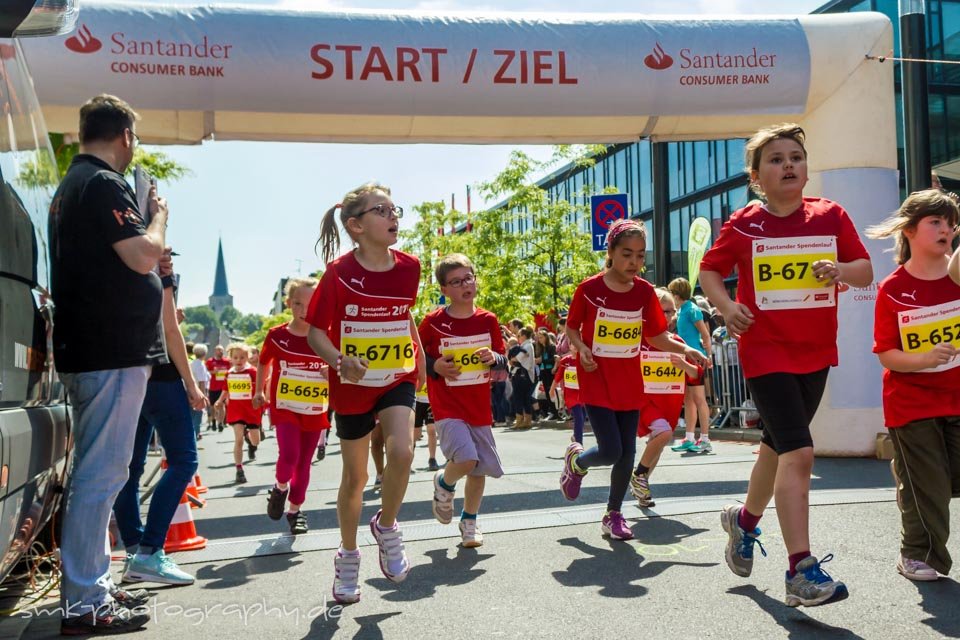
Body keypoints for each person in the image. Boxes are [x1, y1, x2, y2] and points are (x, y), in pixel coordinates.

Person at [699, 123, 873, 607]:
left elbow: (864, 270)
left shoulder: (830, 215)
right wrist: (727, 307)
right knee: (800, 452)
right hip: (765, 351)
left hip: (816, 352)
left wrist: (838, 270)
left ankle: (744, 521)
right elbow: (710, 270)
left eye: (796, 156)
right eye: (776, 159)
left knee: (776, 449)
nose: (789, 165)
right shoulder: (745, 223)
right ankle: (801, 570)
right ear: (757, 177)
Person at [49, 94, 166, 634]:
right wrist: (157, 217)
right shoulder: (102, 183)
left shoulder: (73, 185)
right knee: (101, 475)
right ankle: (86, 599)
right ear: (125, 137)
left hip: (96, 347)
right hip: (111, 348)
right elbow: (143, 254)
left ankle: (91, 587)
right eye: (134, 139)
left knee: (100, 473)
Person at [306, 182, 426, 604]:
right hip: (353, 384)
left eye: (396, 210)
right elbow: (316, 333)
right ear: (356, 226)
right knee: (355, 478)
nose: (394, 217)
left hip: (396, 376)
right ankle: (349, 554)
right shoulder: (338, 273)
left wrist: (420, 359)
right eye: (382, 211)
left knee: (404, 451)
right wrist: (341, 361)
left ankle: (387, 525)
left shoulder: (411, 267)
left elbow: (403, 317)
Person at [558, 219, 709, 540]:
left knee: (626, 454)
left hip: (629, 382)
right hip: (596, 379)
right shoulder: (589, 290)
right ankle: (577, 461)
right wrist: (581, 346)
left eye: (641, 255)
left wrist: (687, 351)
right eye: (627, 254)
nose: (635, 262)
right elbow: (572, 328)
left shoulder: (643, 292)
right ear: (610, 251)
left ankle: (613, 514)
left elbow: (656, 337)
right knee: (611, 451)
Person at [867, 189, 960, 581]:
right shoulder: (892, 288)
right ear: (908, 230)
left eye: (951, 223)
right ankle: (918, 554)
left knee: (946, 481)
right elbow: (886, 353)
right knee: (930, 490)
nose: (946, 230)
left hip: (957, 399)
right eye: (935, 222)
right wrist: (924, 359)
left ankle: (909, 479)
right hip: (911, 404)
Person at [113, 259, 207, 587]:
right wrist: (192, 384)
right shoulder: (158, 273)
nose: (167, 253)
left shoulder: (118, 264)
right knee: (184, 461)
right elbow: (170, 330)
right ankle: (149, 551)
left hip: (127, 375)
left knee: (131, 468)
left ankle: (136, 549)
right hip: (162, 378)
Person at [419, 254, 508, 548]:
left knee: (479, 469)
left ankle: (469, 522)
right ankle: (444, 483)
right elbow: (416, 356)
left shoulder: (488, 320)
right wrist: (436, 366)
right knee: (467, 459)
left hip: (478, 406)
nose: (465, 285)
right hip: (447, 406)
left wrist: (494, 358)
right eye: (456, 282)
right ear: (444, 290)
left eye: (468, 278)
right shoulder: (433, 322)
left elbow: (502, 358)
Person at [256, 277, 332, 536]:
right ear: (288, 304)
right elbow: (263, 362)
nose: (304, 310)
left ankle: (295, 510)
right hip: (285, 406)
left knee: (304, 463)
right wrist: (258, 391)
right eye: (298, 303)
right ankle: (279, 488)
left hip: (314, 407)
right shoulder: (277, 335)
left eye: (310, 304)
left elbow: (341, 364)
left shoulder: (327, 336)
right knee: (289, 454)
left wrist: (330, 370)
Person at [630, 288, 702, 508]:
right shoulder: (638, 338)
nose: (670, 317)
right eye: (665, 311)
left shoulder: (677, 341)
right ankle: (639, 474)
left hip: (669, 404)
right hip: (645, 402)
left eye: (673, 312)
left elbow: (696, 375)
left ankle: (642, 487)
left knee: (659, 443)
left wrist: (684, 364)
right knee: (663, 433)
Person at [667, 277, 714, 453]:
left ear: (677, 294)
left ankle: (705, 439)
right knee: (688, 400)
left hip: (695, 358)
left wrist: (708, 356)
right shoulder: (681, 311)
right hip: (686, 357)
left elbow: (705, 334)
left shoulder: (692, 309)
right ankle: (689, 437)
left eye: (671, 293)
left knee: (699, 399)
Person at [215, 344, 261, 483]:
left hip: (251, 410)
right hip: (236, 410)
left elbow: (260, 388)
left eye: (242, 357)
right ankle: (239, 470)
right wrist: (219, 400)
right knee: (238, 440)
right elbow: (225, 389)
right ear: (231, 359)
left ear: (247, 357)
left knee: (256, 441)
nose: (239, 360)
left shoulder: (253, 371)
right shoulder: (230, 373)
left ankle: (248, 434)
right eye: (235, 357)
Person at [551, 344, 585, 444]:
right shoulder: (565, 361)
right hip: (570, 395)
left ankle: (575, 436)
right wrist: (552, 389)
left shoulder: (584, 360)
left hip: (582, 394)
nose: (575, 347)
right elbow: (558, 376)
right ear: (569, 346)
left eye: (577, 345)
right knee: (579, 417)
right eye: (572, 345)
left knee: (582, 418)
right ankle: (579, 444)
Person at [509, 327, 537, 428]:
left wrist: (512, 358)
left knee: (519, 397)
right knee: (525, 398)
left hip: (522, 375)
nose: (518, 338)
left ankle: (520, 420)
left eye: (519, 336)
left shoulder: (527, 345)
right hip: (523, 374)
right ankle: (526, 420)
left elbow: (517, 358)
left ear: (524, 336)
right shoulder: (527, 345)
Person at [414, 383, 440, 471]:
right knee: (416, 435)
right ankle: (408, 461)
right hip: (417, 401)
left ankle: (432, 459)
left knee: (432, 430)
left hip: (430, 401)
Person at [205, 345, 230, 432]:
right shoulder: (210, 361)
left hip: (223, 387)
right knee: (212, 406)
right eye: (219, 350)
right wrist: (213, 372)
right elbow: (205, 372)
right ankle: (213, 421)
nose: (221, 352)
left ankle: (221, 423)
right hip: (212, 387)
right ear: (215, 351)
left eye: (222, 350)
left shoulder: (227, 361)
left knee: (222, 405)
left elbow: (230, 372)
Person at [189, 344, 210, 440]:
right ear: (205, 353)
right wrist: (203, 397)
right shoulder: (200, 365)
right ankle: (194, 436)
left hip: (190, 391)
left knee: (192, 416)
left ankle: (192, 435)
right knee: (197, 416)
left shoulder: (192, 363)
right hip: (198, 392)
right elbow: (202, 381)